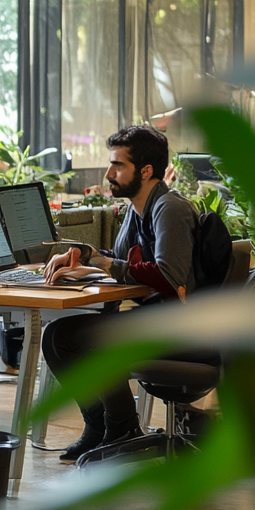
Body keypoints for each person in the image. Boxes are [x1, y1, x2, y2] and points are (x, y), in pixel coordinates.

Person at [41, 124, 205, 463]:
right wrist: (83, 255)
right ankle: (102, 427)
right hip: (158, 318)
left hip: (185, 328)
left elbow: (167, 276)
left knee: (78, 337)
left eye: (118, 165)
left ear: (145, 171)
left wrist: (101, 263)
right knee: (57, 335)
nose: (109, 173)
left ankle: (121, 427)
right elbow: (118, 260)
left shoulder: (169, 209)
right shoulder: (138, 208)